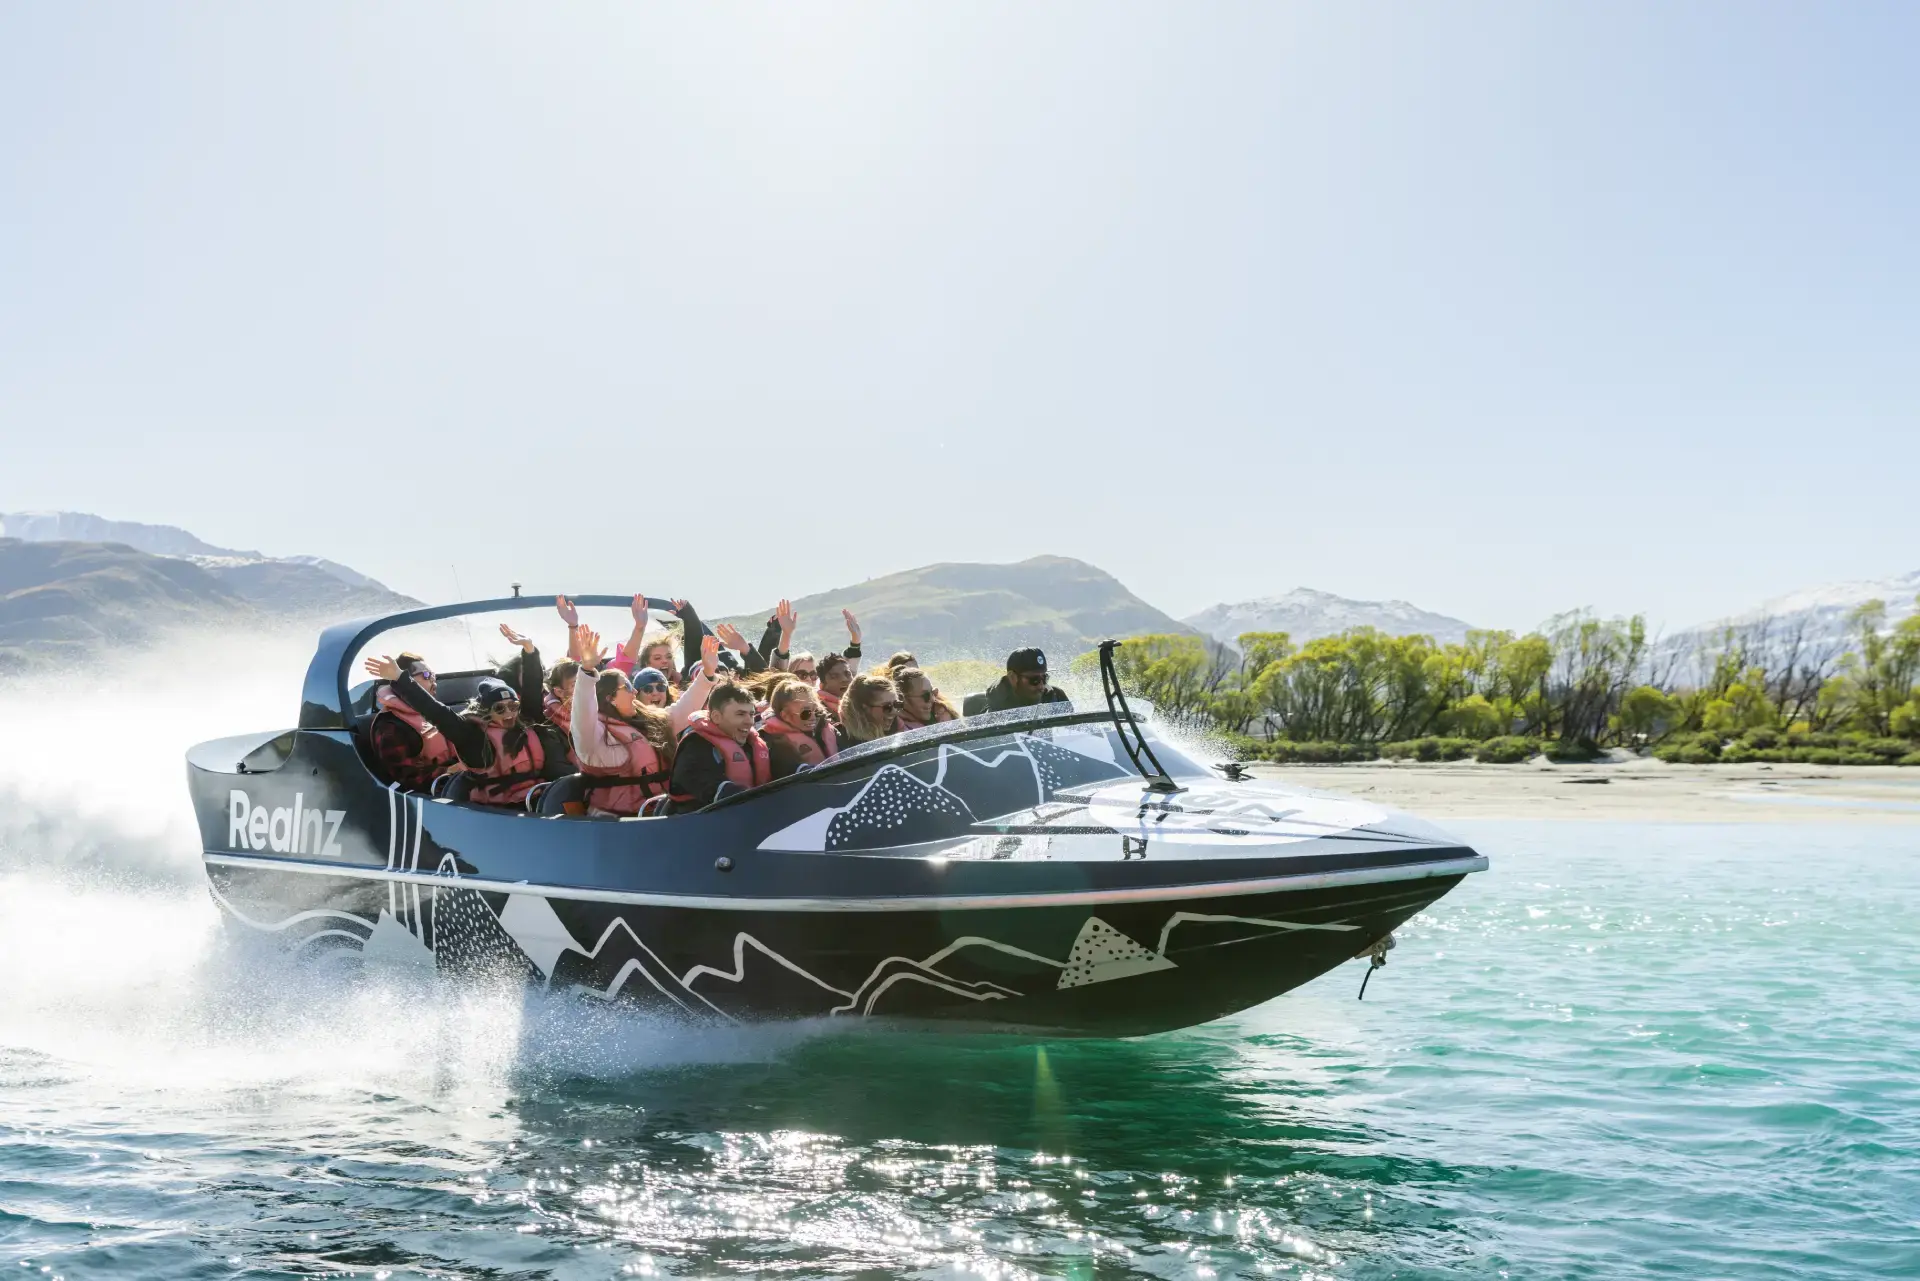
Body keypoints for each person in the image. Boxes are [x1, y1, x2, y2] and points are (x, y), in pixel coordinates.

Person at [368, 636, 568, 807]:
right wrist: (399, 678)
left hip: (539, 797)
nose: (509, 713)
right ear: (486, 712)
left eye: (513, 706)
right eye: (499, 708)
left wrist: (530, 651)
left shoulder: (525, 721)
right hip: (502, 810)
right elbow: (436, 712)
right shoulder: (474, 738)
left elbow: (532, 692)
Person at [571, 640, 678, 817]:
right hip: (614, 824)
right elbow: (582, 711)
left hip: (657, 813)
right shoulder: (593, 736)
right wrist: (587, 672)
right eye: (627, 687)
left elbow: (681, 710)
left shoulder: (646, 720)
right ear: (610, 698)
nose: (634, 692)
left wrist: (707, 676)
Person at [667, 682, 771, 813]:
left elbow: (782, 764)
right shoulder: (695, 745)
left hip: (749, 817)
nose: (749, 721)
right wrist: (748, 798)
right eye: (740, 714)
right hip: (697, 824)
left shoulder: (754, 742)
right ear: (716, 717)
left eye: (751, 714)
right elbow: (703, 781)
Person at [364, 652, 459, 789]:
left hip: (457, 780)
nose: (433, 680)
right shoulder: (390, 726)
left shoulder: (432, 713)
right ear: (406, 680)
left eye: (434, 676)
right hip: (435, 795)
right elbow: (408, 779)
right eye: (426, 675)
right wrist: (450, 772)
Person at [757, 676, 839, 776]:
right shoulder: (774, 741)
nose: (813, 717)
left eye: (816, 710)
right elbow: (787, 768)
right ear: (785, 715)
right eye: (806, 713)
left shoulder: (826, 729)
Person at [963, 647, 1072, 717]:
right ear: (1012, 677)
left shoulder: (1057, 696)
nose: (1041, 686)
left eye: (1044, 678)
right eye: (1034, 680)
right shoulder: (994, 706)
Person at [836, 672, 902, 747]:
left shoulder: (895, 731)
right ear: (865, 708)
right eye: (887, 707)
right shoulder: (842, 739)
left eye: (897, 704)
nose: (894, 712)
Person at [893, 667, 960, 731]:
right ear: (903, 699)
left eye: (932, 692)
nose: (932, 699)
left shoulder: (940, 713)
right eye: (926, 695)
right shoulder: (899, 729)